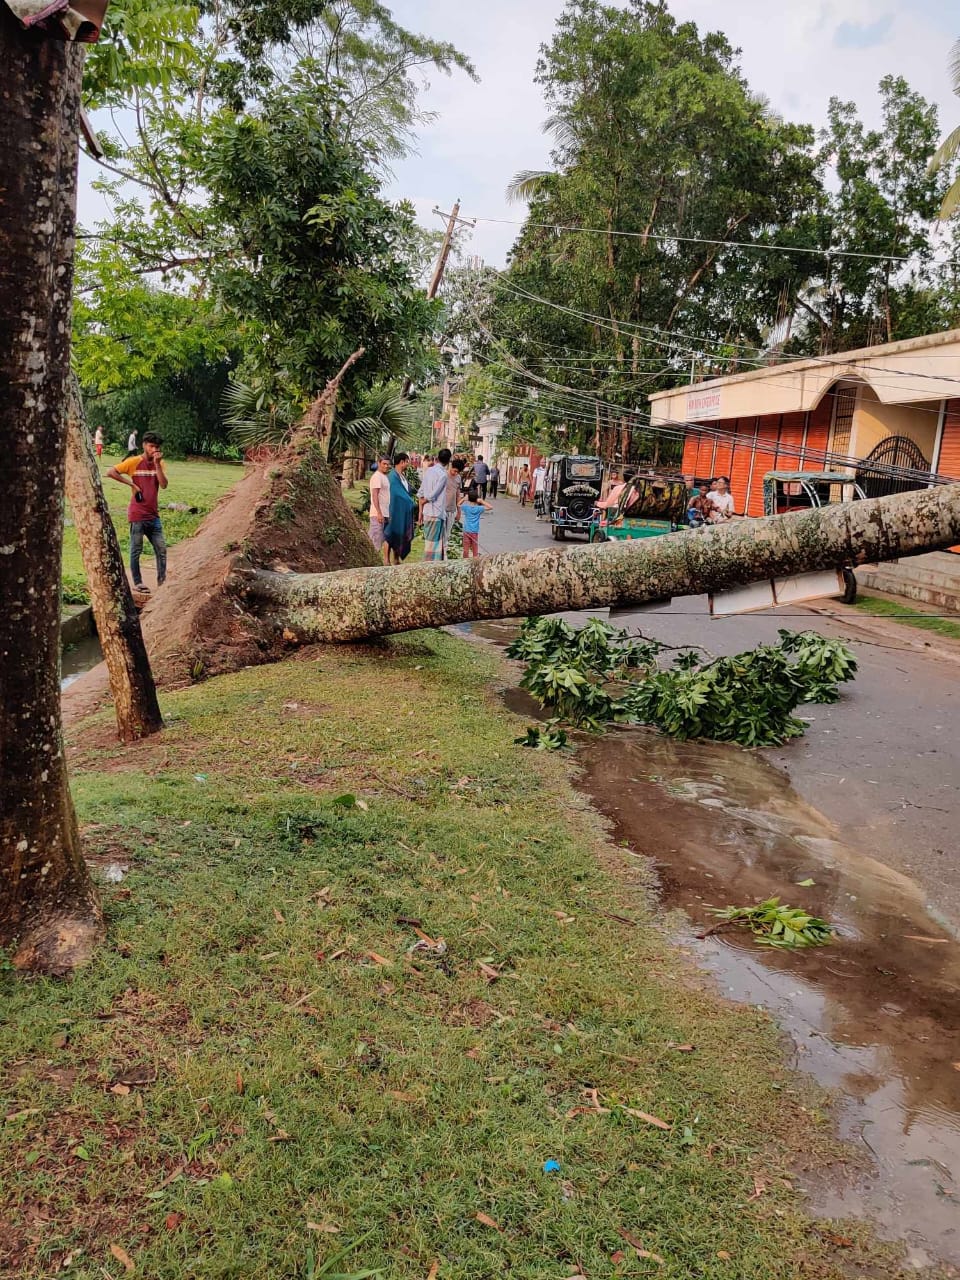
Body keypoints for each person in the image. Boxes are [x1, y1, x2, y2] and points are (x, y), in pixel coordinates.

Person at [107, 431, 168, 592]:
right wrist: (131, 484)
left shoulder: (159, 463)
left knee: (161, 549)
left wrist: (157, 464)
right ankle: (138, 582)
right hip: (138, 514)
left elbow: (163, 484)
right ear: (144, 445)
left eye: (156, 447)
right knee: (136, 549)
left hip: (154, 515)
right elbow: (111, 472)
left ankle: (162, 582)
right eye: (151, 446)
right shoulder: (133, 462)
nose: (153, 449)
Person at [418, 447, 451, 561]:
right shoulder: (443, 475)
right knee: (433, 544)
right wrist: (425, 501)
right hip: (436, 513)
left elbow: (421, 492)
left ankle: (435, 565)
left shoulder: (429, 471)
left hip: (428, 511)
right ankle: (429, 566)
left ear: (437, 458)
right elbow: (433, 495)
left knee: (433, 542)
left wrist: (421, 509)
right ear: (448, 461)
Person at [383, 453, 416, 563]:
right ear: (402, 462)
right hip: (393, 509)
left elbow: (406, 491)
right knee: (390, 533)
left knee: (399, 533)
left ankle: (396, 558)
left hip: (402, 510)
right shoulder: (392, 476)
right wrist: (410, 501)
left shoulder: (402, 476)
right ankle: (386, 560)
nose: (408, 464)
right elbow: (397, 493)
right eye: (407, 462)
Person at [369, 455, 392, 565]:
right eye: (384, 464)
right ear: (379, 463)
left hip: (386, 513)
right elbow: (375, 495)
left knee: (386, 539)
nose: (386, 466)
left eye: (388, 464)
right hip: (377, 514)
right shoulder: (377, 476)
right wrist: (379, 512)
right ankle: (371, 564)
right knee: (376, 541)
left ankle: (385, 562)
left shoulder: (384, 477)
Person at [459, 484, 492, 557]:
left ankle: (465, 561)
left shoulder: (466, 507)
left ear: (469, 498)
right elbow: (490, 507)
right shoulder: (479, 508)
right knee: (475, 547)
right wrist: (481, 501)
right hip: (474, 531)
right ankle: (475, 560)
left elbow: (458, 504)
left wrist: (464, 499)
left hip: (466, 530)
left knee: (466, 548)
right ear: (477, 499)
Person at [445, 455, 465, 553]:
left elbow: (458, 495)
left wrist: (459, 511)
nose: (455, 473)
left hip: (452, 510)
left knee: (447, 534)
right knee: (440, 534)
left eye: (457, 472)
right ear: (451, 466)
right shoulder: (443, 476)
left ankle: (444, 554)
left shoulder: (458, 478)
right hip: (441, 509)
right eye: (454, 471)